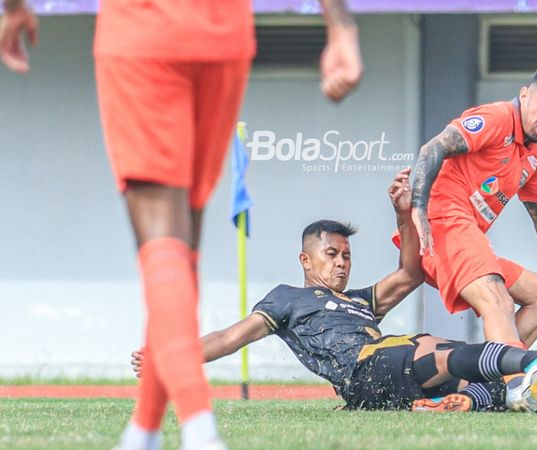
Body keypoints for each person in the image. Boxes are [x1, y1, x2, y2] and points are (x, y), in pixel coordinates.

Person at [3, 1, 362, 449]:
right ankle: (144, 431)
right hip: (222, 37)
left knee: (163, 239)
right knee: (181, 245)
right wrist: (340, 26)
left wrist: (14, 7)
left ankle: (199, 428)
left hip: (143, 32)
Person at [131, 170, 537, 413]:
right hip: (364, 373)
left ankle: (469, 401)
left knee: (475, 378)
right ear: (306, 260)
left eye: (346, 256)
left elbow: (412, 271)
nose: (341, 263)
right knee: (432, 346)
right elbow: (231, 337)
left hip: (387, 381)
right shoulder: (287, 299)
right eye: (332, 255)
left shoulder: (357, 301)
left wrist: (402, 215)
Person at [400, 65, 537, 361]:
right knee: (497, 298)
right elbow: (433, 148)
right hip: (443, 226)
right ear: (525, 95)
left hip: (465, 240)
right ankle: (519, 375)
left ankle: (480, 383)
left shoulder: (532, 161)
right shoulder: (497, 118)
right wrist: (419, 208)